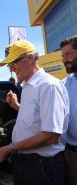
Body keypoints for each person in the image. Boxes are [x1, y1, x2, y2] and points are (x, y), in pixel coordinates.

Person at [0, 40, 69, 185]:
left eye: (14, 63)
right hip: (25, 163)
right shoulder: (28, 86)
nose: (11, 69)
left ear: (31, 58)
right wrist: (17, 106)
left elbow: (51, 135)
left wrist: (10, 148)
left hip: (41, 165)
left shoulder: (48, 86)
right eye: (9, 65)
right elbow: (37, 118)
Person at [60, 35, 77, 185]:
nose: (64, 60)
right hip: (73, 157)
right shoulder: (63, 86)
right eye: (63, 56)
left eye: (68, 54)